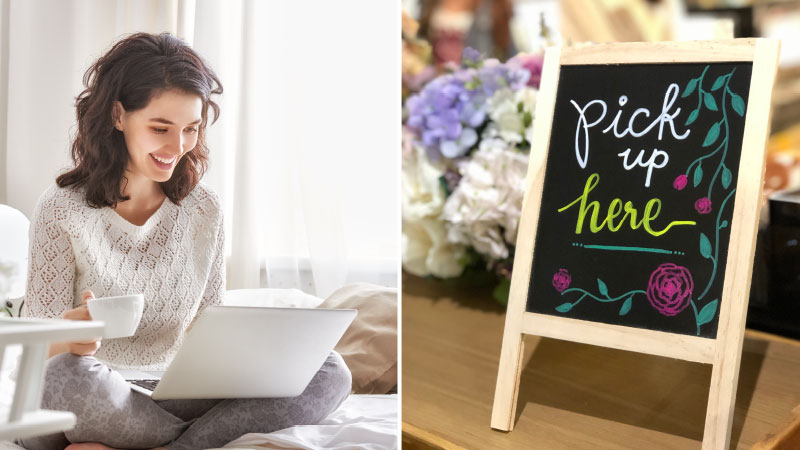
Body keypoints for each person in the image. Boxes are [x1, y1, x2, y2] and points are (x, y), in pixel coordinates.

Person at [19, 32, 351, 450]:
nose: (177, 147)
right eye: (161, 128)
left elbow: (208, 331)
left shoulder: (204, 210)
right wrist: (69, 336)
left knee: (329, 371)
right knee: (64, 377)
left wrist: (250, 356)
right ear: (118, 116)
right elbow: (37, 352)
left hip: (167, 394)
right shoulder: (61, 208)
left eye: (191, 129)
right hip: (81, 391)